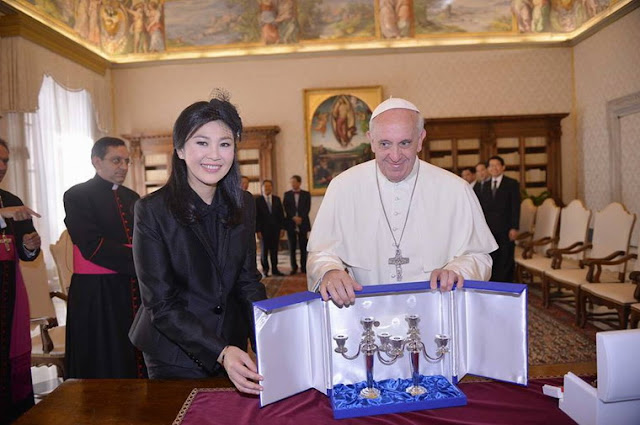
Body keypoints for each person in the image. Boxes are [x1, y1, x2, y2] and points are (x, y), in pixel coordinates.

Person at [129, 95, 266, 395]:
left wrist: (267, 342)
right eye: (202, 142)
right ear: (180, 149)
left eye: (225, 144)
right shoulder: (152, 210)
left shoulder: (244, 203)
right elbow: (161, 304)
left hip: (231, 345)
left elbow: (248, 282)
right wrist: (221, 351)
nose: (214, 155)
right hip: (173, 352)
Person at [306, 98, 497, 306]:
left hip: (435, 310)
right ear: (371, 141)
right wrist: (329, 271)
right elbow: (321, 252)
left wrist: (457, 271)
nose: (395, 156)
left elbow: (478, 255)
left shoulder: (455, 189)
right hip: (364, 311)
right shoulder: (343, 187)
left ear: (420, 139)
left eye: (405, 143)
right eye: (385, 144)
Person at [63, 137, 146, 379]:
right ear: (96, 161)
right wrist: (141, 262)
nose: (123, 167)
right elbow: (90, 244)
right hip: (96, 292)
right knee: (102, 355)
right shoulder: (77, 195)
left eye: (127, 161)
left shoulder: (132, 197)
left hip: (131, 287)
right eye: (116, 160)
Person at [0, 138, 41, 423]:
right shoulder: (7, 208)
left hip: (9, 293)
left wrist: (29, 245)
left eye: (5, 160)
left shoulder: (12, 200)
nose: (2, 166)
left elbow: (28, 253)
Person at [477, 155, 521, 282]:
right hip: (489, 230)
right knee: (492, 259)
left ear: (503, 167)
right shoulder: (484, 185)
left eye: (497, 165)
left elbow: (515, 207)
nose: (494, 168)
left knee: (506, 259)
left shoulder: (512, 184)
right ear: (488, 169)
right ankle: (493, 285)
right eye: (491, 166)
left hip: (506, 229)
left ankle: (506, 286)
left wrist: (514, 227)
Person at [282, 175, 311, 275]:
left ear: (299, 183)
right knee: (292, 246)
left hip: (303, 223)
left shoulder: (306, 194)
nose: (292, 184)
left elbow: (307, 207)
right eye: (291, 182)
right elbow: (286, 207)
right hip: (291, 223)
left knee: (303, 246)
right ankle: (293, 267)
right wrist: (293, 217)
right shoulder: (287, 194)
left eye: (294, 182)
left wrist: (301, 217)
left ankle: (303, 267)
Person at [255, 180, 284, 276]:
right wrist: (258, 230)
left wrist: (282, 228)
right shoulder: (258, 200)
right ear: (262, 188)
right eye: (265, 186)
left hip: (275, 230)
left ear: (272, 187)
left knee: (274, 250)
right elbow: (256, 217)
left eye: (269, 186)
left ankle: (275, 269)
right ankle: (265, 270)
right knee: (264, 251)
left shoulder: (277, 199)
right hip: (263, 230)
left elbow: (281, 215)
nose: (267, 188)